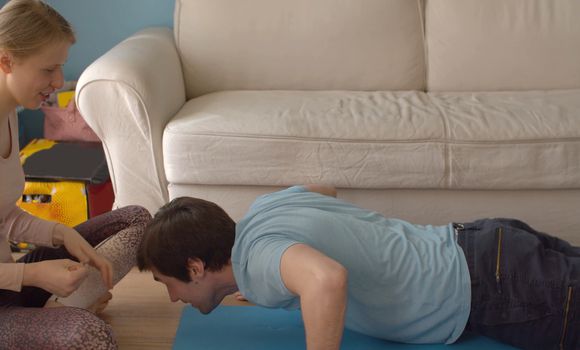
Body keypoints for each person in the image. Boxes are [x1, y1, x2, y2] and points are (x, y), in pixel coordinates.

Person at [138, 185, 580, 350]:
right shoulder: (261, 213)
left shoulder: (259, 260)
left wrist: (282, 270)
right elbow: (321, 189)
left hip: (498, 289)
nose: (173, 298)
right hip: (487, 242)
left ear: (195, 268)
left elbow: (328, 280)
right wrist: (286, 272)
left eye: (167, 284)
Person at [0, 1, 151, 349]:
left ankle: (57, 310)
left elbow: (5, 216)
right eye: (48, 70)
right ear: (7, 61)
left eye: (60, 69)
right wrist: (34, 274)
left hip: (13, 286)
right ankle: (62, 313)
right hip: (11, 289)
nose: (57, 81)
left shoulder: (9, 112)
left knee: (136, 219)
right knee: (88, 334)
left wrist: (62, 234)